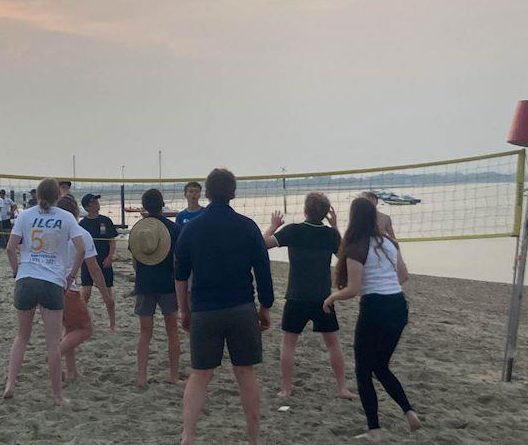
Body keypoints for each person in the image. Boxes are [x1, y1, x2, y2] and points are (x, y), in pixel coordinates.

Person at [175, 168, 274, 445]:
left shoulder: (192, 228)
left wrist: (184, 310)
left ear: (206, 193)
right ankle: (254, 437)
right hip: (241, 307)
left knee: (200, 375)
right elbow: (263, 270)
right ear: (233, 193)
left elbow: (180, 275)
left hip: (205, 309)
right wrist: (265, 306)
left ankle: (188, 436)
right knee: (245, 372)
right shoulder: (247, 226)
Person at [323, 197, 421, 442]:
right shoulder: (388, 242)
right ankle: (409, 412)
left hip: (375, 308)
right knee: (380, 365)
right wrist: (383, 282)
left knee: (364, 371)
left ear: (354, 217)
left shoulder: (357, 246)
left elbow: (354, 289)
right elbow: (403, 276)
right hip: (398, 306)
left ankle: (374, 431)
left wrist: (331, 298)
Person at [263, 193, 354, 400]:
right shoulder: (330, 235)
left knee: (288, 344)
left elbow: (263, 243)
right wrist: (335, 227)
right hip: (323, 298)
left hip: (297, 296)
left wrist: (273, 225)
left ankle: (286, 389)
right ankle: (342, 388)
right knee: (333, 343)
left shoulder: (294, 230)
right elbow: (342, 256)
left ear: (306, 210)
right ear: (325, 213)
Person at [4, 178, 86, 405]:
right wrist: (71, 276)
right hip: (52, 281)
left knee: (22, 337)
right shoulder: (66, 217)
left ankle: (10, 383)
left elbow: (10, 248)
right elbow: (81, 248)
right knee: (52, 343)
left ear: (37, 196)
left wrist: (16, 272)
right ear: (58, 196)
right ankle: (57, 395)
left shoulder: (25, 215)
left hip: (26, 279)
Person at [56, 195, 115, 382]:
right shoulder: (81, 233)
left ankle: (72, 372)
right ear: (75, 212)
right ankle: (52, 357)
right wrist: (106, 295)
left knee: (70, 329)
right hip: (66, 288)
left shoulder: (51, 231)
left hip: (46, 285)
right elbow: (94, 269)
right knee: (85, 329)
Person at [130, 188, 181, 387]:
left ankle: (141, 377)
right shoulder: (174, 229)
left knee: (145, 333)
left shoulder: (139, 229)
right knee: (172, 331)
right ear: (162, 205)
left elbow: (135, 262)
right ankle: (174, 375)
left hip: (145, 283)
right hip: (168, 283)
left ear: (144, 206)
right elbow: (178, 261)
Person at [79, 193, 118, 304]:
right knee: (86, 292)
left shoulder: (106, 221)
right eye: (94, 202)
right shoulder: (82, 224)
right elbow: (79, 245)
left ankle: (112, 320)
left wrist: (110, 257)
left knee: (107, 293)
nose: (97, 203)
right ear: (87, 207)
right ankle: (81, 316)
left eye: (97, 201)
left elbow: (112, 241)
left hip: (104, 260)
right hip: (88, 261)